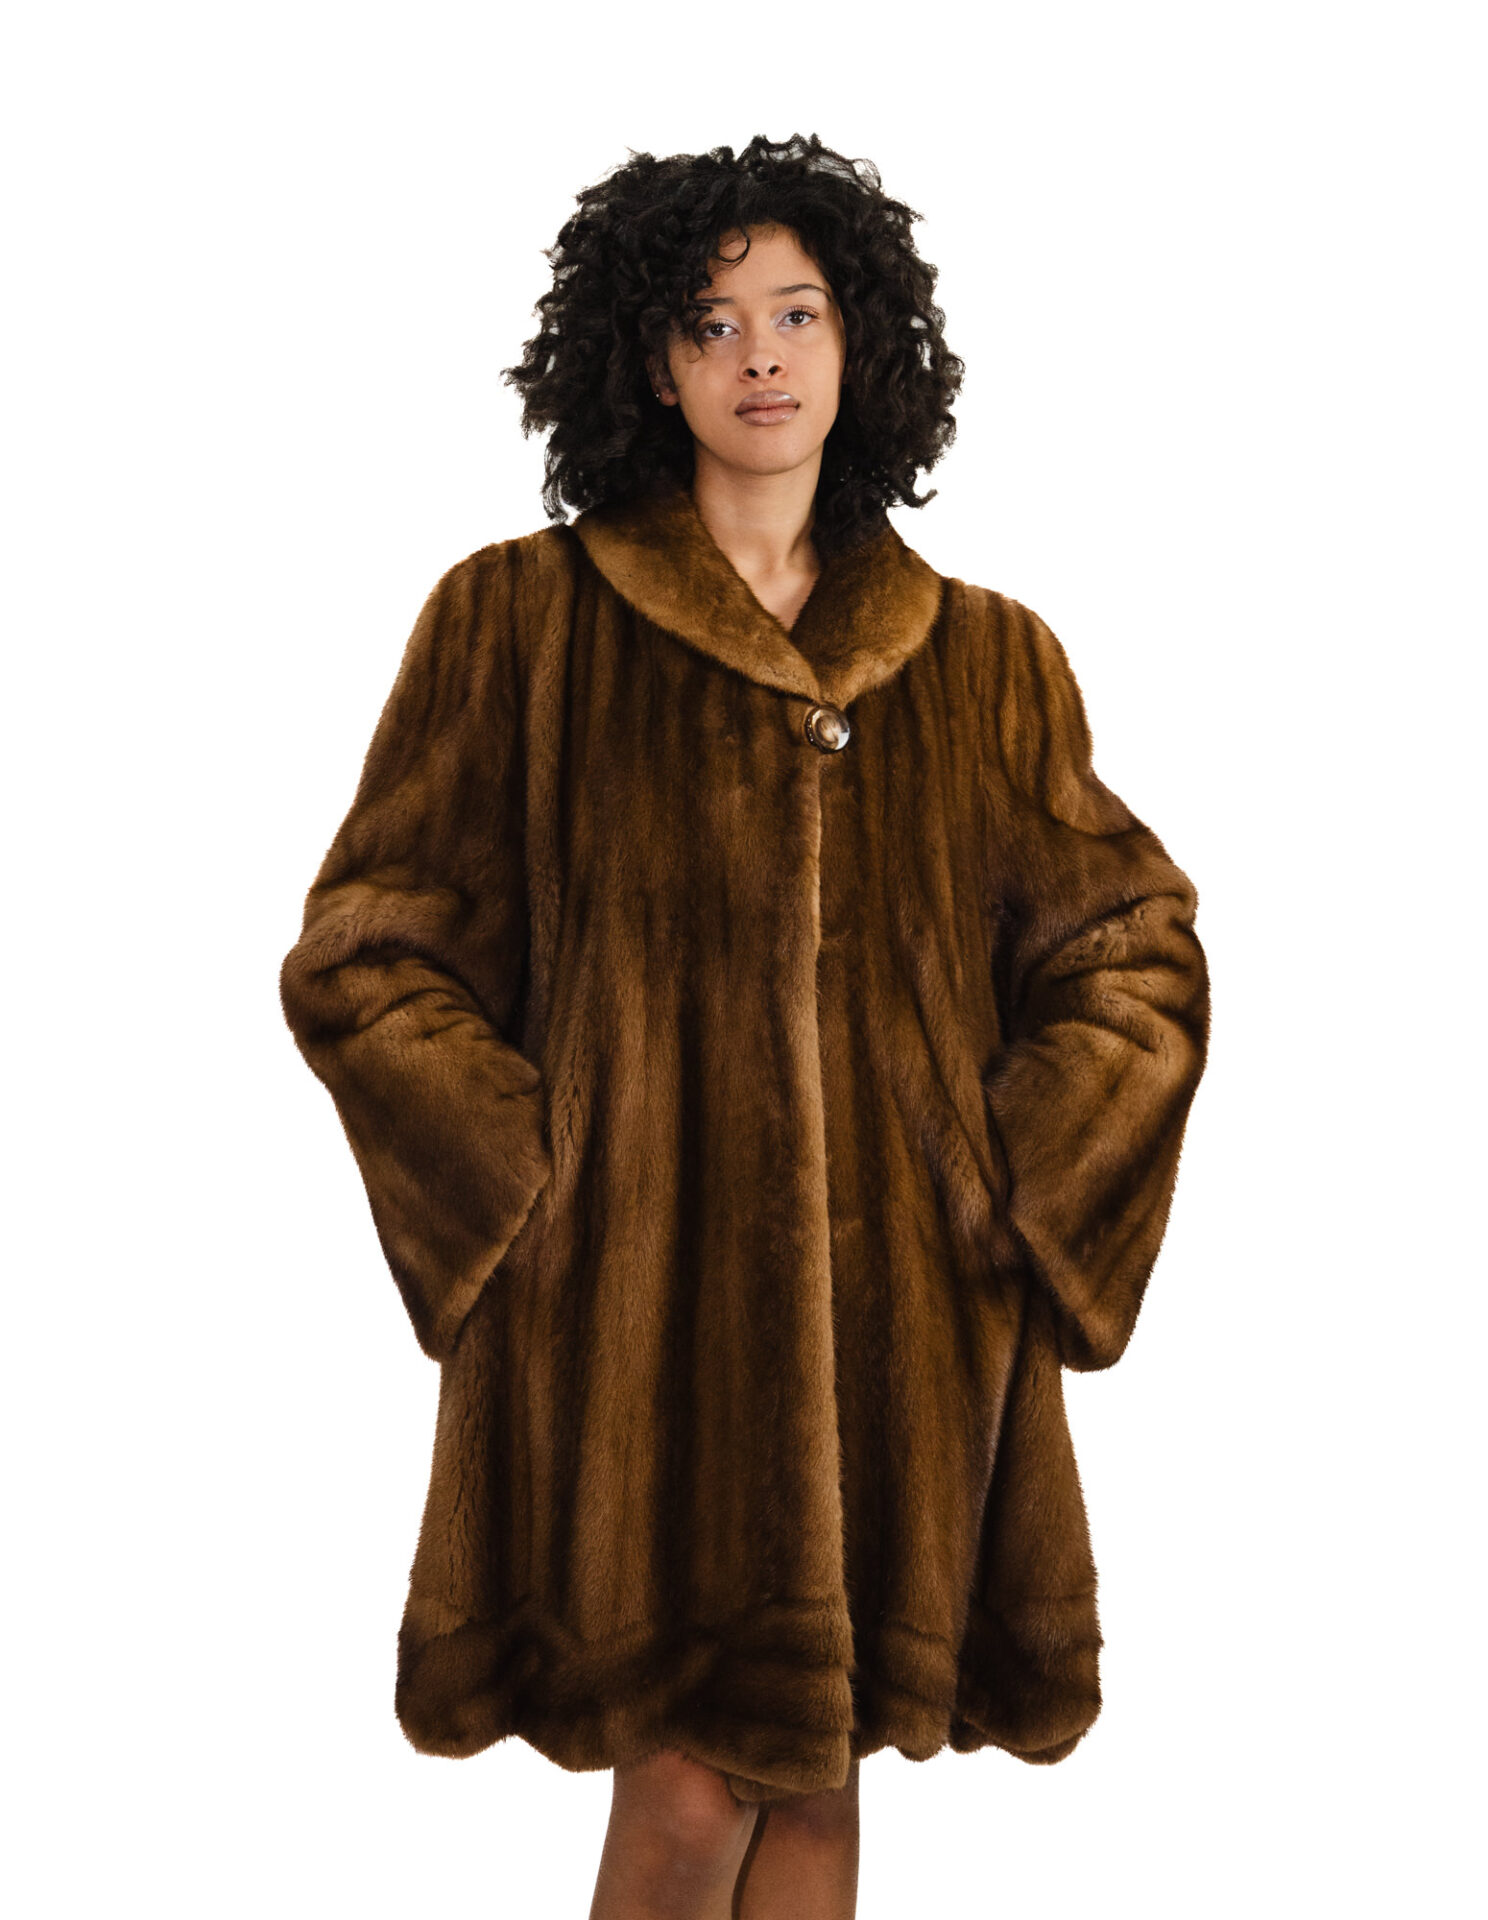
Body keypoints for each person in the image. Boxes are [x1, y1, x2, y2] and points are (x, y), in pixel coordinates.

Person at [279, 133, 1211, 1920]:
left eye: (798, 315)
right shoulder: (519, 624)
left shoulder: (984, 656)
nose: (760, 358)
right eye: (710, 326)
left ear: (863, 346)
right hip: (636, 1321)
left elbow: (1131, 954)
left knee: (823, 1806)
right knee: (690, 1802)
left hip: (905, 1324)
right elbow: (370, 950)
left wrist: (1004, 1185)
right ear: (648, 363)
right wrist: (531, 1183)